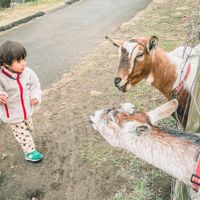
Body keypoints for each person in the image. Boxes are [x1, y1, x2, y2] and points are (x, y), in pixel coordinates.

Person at [0, 41, 43, 162]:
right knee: (23, 133)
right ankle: (30, 152)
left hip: (27, 110)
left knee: (29, 129)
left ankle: (27, 142)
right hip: (12, 114)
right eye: (19, 62)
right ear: (6, 64)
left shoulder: (28, 73)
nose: (24, 64)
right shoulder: (1, 77)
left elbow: (35, 86)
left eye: (24, 59)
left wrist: (35, 96)